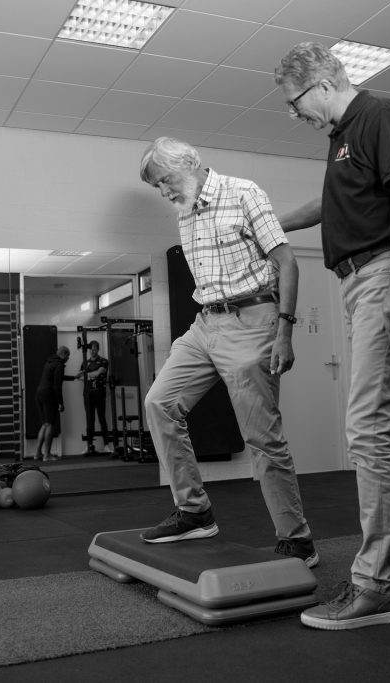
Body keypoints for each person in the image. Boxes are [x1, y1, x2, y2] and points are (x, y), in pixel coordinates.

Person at [273, 42, 390, 631]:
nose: (295, 114)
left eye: (295, 103)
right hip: (363, 280)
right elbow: (330, 205)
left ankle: (376, 585)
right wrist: (266, 223)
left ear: (323, 83)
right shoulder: (342, 139)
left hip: (387, 274)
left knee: (367, 429)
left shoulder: (380, 114)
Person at [137, 136, 318, 568]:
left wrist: (284, 331)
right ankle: (194, 511)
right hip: (205, 323)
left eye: (164, 181)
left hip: (253, 319)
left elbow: (288, 263)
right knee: (159, 403)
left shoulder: (243, 193)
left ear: (187, 165)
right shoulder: (185, 212)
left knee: (261, 437)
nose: (164, 192)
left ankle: (297, 540)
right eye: (157, 187)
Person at [35, 346, 69, 461]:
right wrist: (61, 403)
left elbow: (58, 378)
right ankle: (47, 455)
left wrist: (74, 377)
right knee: (49, 424)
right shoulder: (59, 365)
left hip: (39, 393)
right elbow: (57, 385)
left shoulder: (49, 362)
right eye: (68, 356)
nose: (68, 358)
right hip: (48, 394)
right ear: (63, 354)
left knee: (45, 424)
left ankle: (37, 453)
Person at [76, 340, 110, 455]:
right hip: (88, 394)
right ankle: (89, 445)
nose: (92, 351)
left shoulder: (104, 361)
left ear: (98, 349)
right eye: (91, 349)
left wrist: (87, 375)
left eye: (94, 349)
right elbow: (79, 376)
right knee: (90, 419)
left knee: (101, 418)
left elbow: (98, 373)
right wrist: (92, 375)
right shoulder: (85, 362)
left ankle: (106, 445)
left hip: (99, 393)